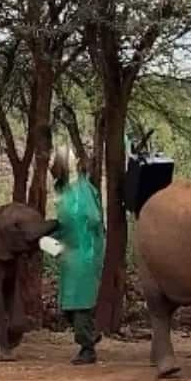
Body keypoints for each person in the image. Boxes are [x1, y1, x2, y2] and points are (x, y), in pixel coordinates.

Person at [50, 144, 105, 364]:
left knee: (79, 303)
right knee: (68, 305)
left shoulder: (83, 190)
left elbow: (93, 219)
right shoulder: (64, 190)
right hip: (68, 254)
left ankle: (87, 346)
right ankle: (90, 335)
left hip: (85, 252)